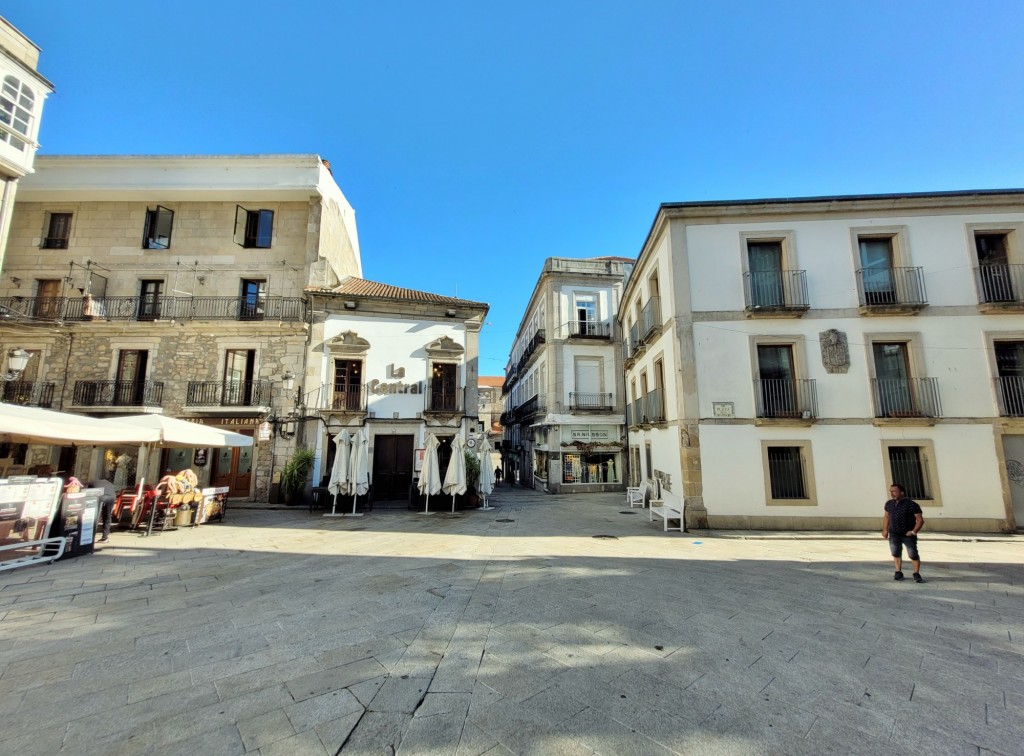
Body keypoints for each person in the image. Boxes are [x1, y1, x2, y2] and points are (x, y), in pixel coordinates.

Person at [882, 483, 924, 583]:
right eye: (891, 491)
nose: (892, 493)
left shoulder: (912, 505)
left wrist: (914, 532)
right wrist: (885, 529)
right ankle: (898, 571)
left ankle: (916, 573)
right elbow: (886, 516)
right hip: (894, 534)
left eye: (894, 491)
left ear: (902, 492)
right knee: (896, 553)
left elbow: (920, 520)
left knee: (913, 554)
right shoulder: (889, 504)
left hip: (907, 534)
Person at [88, 477, 116, 543]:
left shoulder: (92, 482)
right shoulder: (110, 484)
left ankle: (91, 536)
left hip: (100, 496)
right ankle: (105, 537)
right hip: (111, 497)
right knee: (107, 516)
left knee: (95, 515)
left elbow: (88, 492)